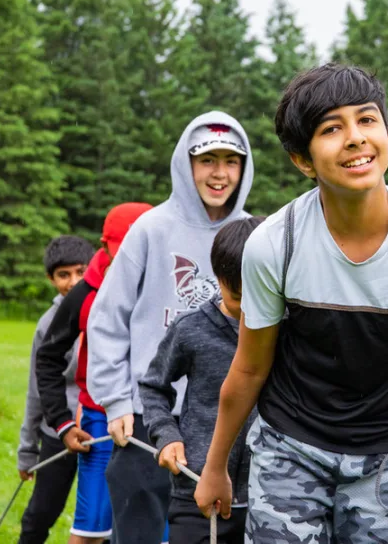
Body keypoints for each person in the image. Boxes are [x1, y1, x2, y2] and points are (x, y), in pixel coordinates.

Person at [194, 63, 388, 543]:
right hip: (288, 450)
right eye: (331, 128)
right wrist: (215, 467)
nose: (356, 138)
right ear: (302, 159)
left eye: (367, 119)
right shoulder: (276, 244)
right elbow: (249, 369)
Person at [87, 112, 254, 543]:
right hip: (149, 414)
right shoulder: (151, 228)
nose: (219, 173)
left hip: (223, 424)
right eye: (207, 160)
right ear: (186, 163)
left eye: (231, 161)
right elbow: (107, 319)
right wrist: (117, 402)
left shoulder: (255, 235)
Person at [140, 216, 265, 544]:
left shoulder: (289, 328)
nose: (250, 309)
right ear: (218, 279)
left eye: (261, 296)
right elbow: (154, 387)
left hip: (271, 496)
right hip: (196, 490)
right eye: (238, 296)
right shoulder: (191, 328)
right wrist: (167, 435)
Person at [36, 203, 153, 543]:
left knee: (154, 528)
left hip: (159, 418)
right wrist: (62, 423)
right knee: (89, 532)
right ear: (104, 247)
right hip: (100, 417)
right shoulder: (85, 292)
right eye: (124, 252)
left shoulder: (171, 283)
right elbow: (49, 357)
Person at [17, 235, 94, 544]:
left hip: (102, 430)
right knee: (40, 514)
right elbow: (36, 390)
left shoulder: (109, 312)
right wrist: (27, 450)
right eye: (64, 275)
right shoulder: (47, 324)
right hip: (58, 432)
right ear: (51, 278)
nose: (73, 282)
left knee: (105, 517)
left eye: (80, 272)